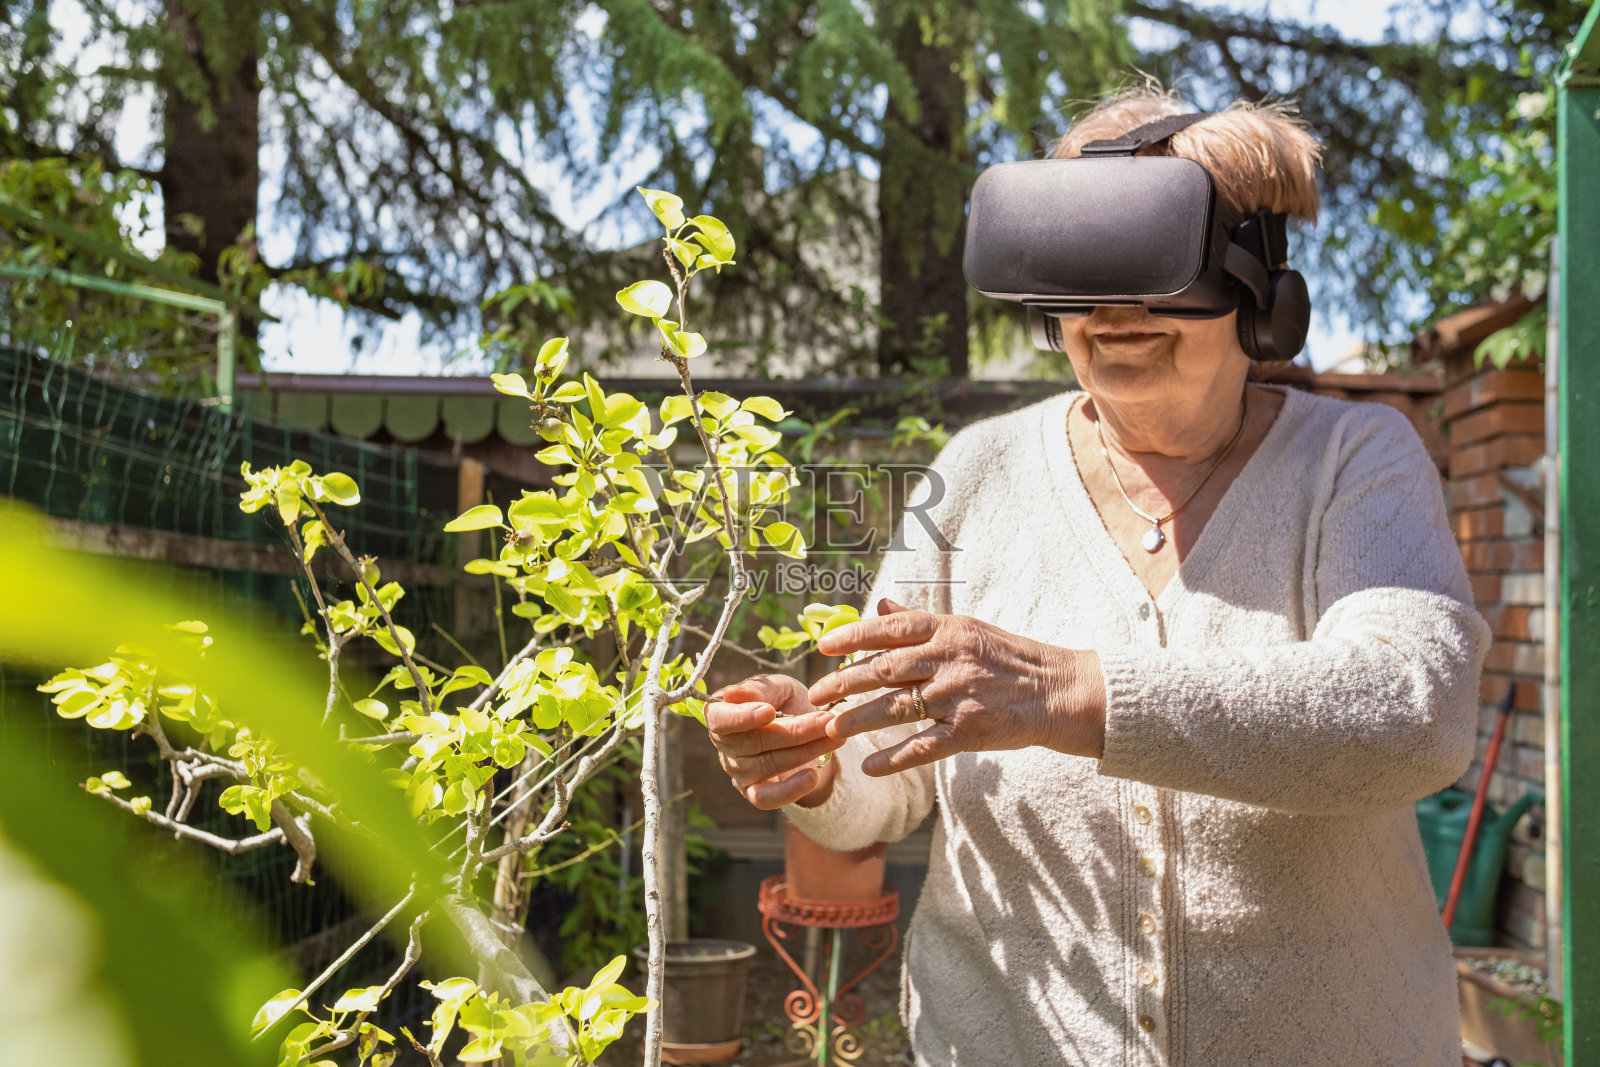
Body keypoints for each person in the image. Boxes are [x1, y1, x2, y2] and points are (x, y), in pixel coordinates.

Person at [706, 86, 1487, 1067]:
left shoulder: (1357, 458)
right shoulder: (978, 472)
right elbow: (890, 773)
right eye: (1082, 265)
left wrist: (1068, 691)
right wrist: (817, 760)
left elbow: (1415, 714)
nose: (1115, 309)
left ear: (1254, 278)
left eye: (1159, 263)